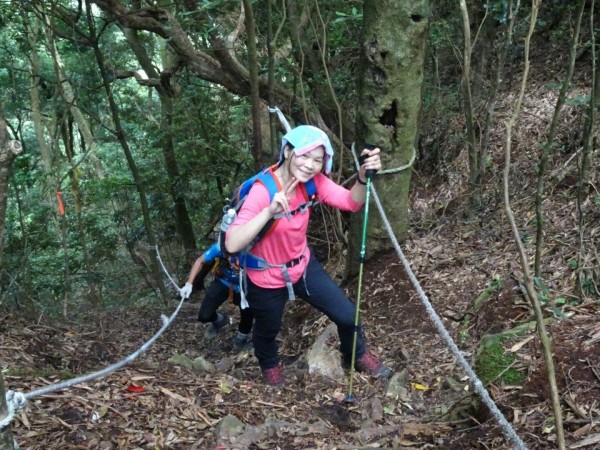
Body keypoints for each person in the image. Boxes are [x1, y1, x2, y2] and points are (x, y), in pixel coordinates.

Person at [225, 124, 392, 386]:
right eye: (304, 156)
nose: (310, 165)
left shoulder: (314, 181)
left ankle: (355, 355)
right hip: (265, 274)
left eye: (318, 160)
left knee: (348, 316)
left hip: (302, 266)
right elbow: (232, 243)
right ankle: (270, 366)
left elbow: (350, 202)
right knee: (267, 330)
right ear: (288, 151)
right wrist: (269, 211)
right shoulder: (262, 190)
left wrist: (361, 177)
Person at [180, 243, 253, 350]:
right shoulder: (222, 245)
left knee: (248, 314)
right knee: (204, 316)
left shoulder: (253, 248)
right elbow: (200, 261)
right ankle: (220, 320)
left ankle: (241, 337)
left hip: (246, 287)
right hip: (223, 282)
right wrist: (189, 283)